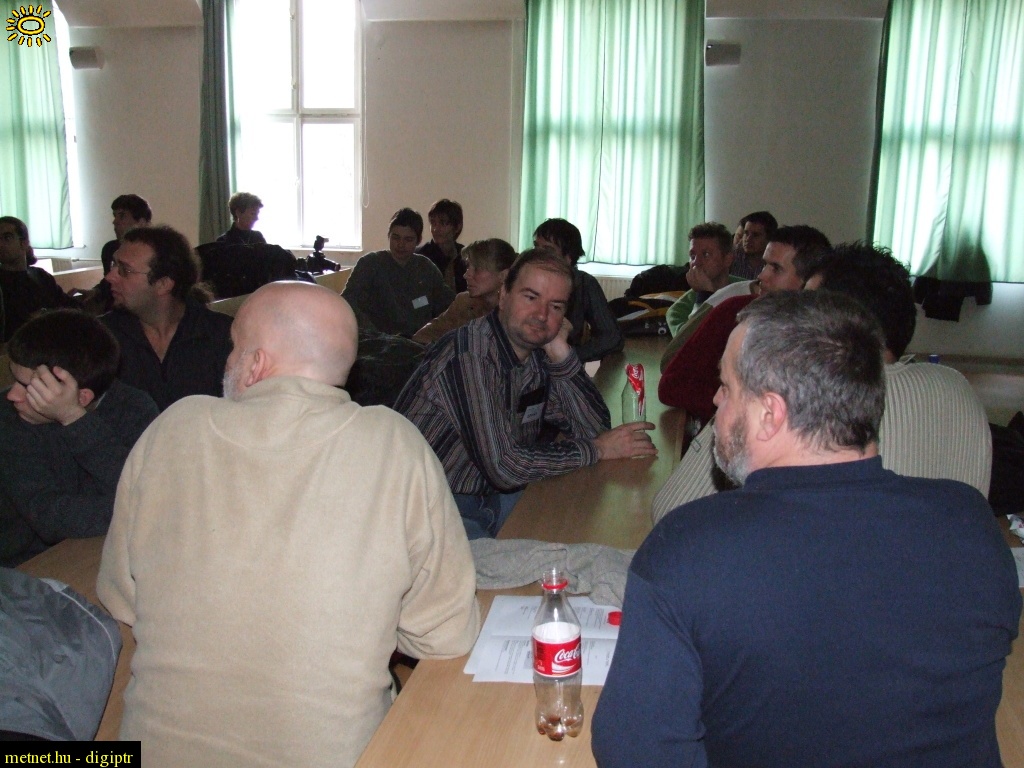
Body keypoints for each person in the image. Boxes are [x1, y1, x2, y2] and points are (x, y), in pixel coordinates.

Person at [593, 290, 1021, 768]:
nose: (715, 399)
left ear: (770, 414)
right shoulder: (968, 520)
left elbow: (633, 750)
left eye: (727, 387)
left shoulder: (687, 547)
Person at [96, 281, 480, 768]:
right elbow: (445, 633)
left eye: (234, 348)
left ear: (255, 363)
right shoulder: (394, 443)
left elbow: (122, 600)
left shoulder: (172, 427)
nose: (227, 361)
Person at [652, 240, 994, 520]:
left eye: (808, 304)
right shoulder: (957, 388)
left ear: (837, 323)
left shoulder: (797, 390)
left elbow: (671, 510)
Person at [395, 249, 655, 540]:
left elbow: (594, 429)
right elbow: (505, 467)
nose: (542, 315)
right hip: (430, 507)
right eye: (531, 297)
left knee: (587, 526)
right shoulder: (469, 355)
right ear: (504, 295)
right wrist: (597, 449)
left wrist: (560, 353)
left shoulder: (535, 355)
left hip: (492, 495)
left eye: (556, 306)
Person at [0, 310, 158, 566]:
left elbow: (142, 485)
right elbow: (48, 516)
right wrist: (135, 507)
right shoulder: (9, 419)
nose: (12, 395)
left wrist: (74, 419)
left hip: (107, 550)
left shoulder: (134, 409)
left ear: (81, 398)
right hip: (27, 563)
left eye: (28, 387)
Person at [659, 224, 831, 421]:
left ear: (810, 282)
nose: (761, 276)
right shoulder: (733, 309)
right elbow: (671, 383)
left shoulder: (822, 334)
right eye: (765, 265)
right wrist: (737, 402)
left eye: (776, 269)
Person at [102, 225, 233, 410]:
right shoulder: (101, 336)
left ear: (163, 284)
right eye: (113, 264)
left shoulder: (222, 335)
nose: (109, 277)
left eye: (124, 270)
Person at [342, 207, 455, 337]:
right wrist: (373, 333)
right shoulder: (370, 265)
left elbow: (448, 304)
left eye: (408, 239)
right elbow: (348, 301)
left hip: (417, 342)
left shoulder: (427, 269)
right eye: (396, 238)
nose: (401, 244)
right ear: (388, 236)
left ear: (418, 240)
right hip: (378, 342)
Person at [533, 218, 624, 362]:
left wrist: (569, 356)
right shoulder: (523, 278)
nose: (538, 255)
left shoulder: (584, 283)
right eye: (536, 247)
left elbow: (612, 337)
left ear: (568, 257)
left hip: (559, 367)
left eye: (547, 250)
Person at [413, 237, 516, 345]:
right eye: (468, 267)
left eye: (477, 269)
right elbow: (423, 336)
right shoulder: (464, 302)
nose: (466, 275)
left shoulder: (516, 312)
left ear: (503, 275)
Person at [0, 216, 77, 342]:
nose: (1, 244)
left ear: (24, 243)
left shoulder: (40, 276)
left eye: (7, 238)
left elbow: (68, 306)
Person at [663, 222, 744, 336]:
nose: (696, 262)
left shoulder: (749, 290)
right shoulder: (678, 311)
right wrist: (704, 295)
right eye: (692, 256)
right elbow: (695, 342)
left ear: (728, 259)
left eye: (706, 254)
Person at [415, 198, 466, 292]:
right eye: (433, 223)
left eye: (443, 223)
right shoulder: (420, 256)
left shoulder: (465, 256)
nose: (436, 229)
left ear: (457, 227)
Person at [100, 194, 152, 275]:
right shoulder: (110, 248)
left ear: (141, 223)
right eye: (114, 216)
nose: (115, 222)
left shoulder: (158, 251)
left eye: (122, 216)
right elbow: (107, 281)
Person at [729, 209, 778, 279]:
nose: (748, 239)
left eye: (755, 235)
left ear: (769, 238)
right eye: (746, 233)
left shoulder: (775, 262)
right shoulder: (731, 256)